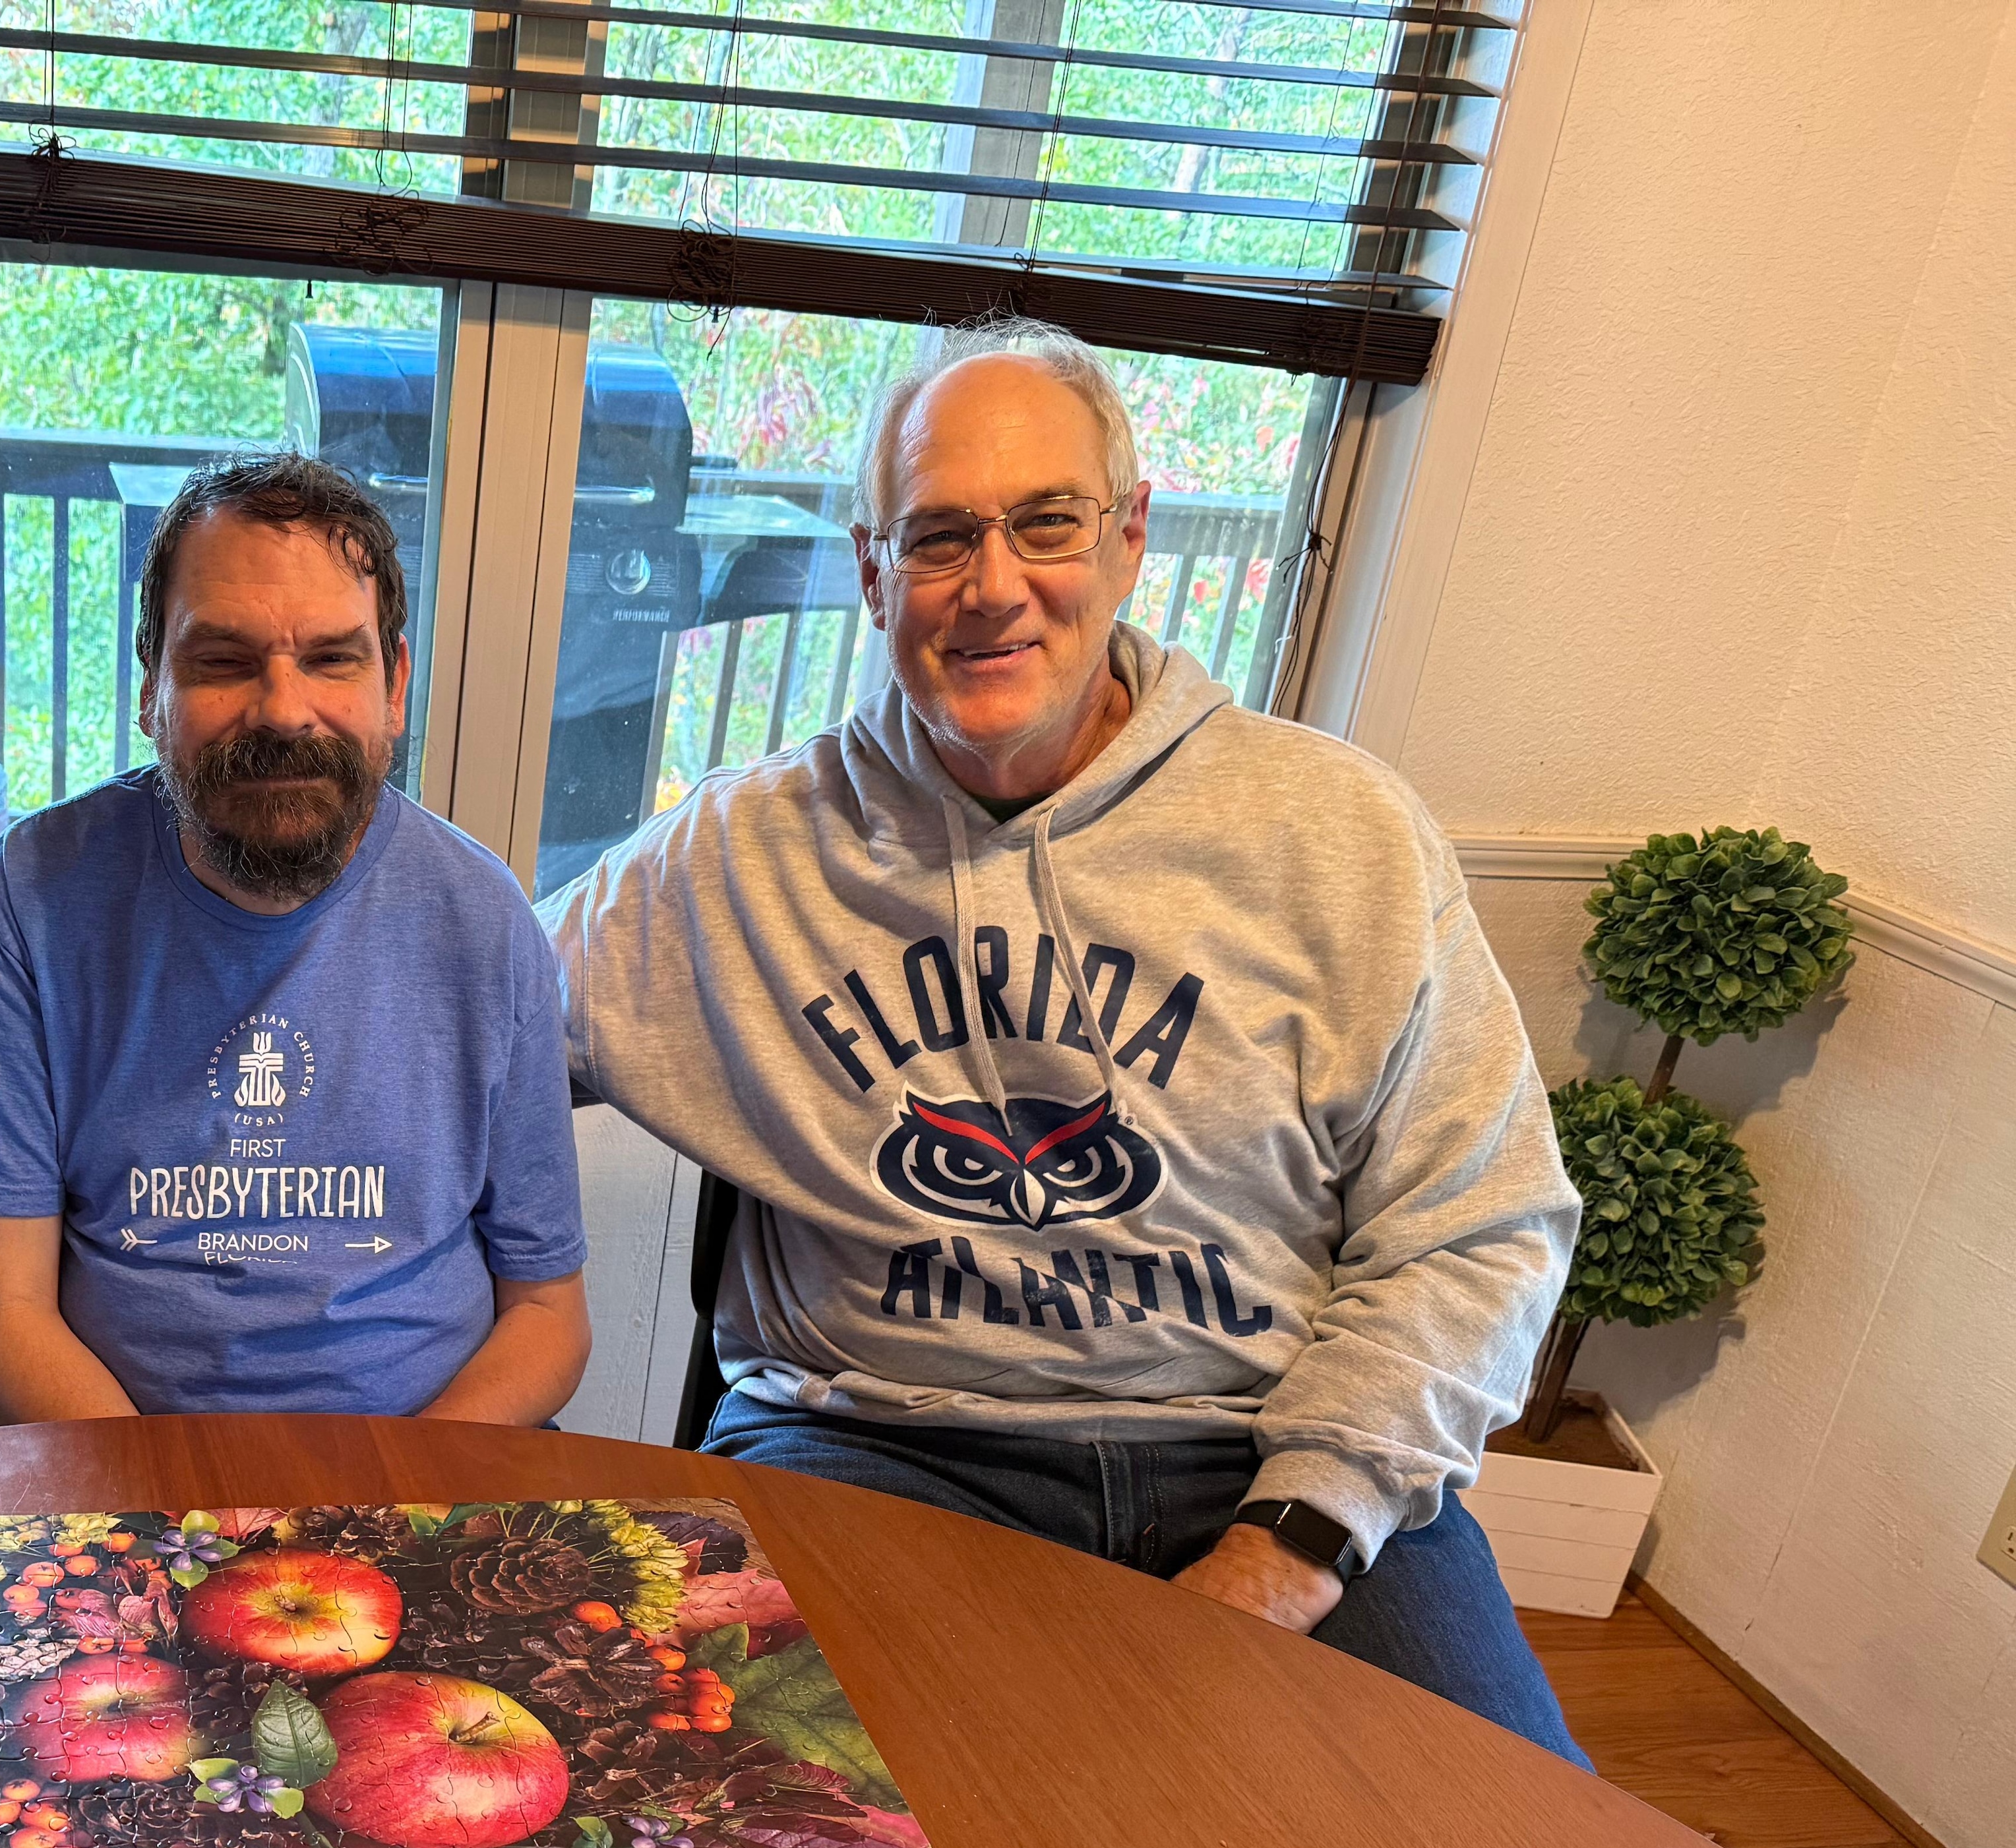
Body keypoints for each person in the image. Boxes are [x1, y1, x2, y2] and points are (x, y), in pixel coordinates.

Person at [545, 319, 1587, 1762]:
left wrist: (1287, 1546)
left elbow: (1477, 1225)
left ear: (1128, 539)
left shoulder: (1334, 833)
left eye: (1046, 523)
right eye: (936, 539)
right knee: (738, 1847)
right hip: (877, 1448)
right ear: (870, 573)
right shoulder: (739, 854)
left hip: (1267, 1450)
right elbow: (460, 1023)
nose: (992, 589)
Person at [0, 452, 588, 1423]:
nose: (284, 710)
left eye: (333, 657)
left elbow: (548, 1314)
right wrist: (179, 1517)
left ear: (395, 682)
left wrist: (395, 1503)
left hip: (420, 1473)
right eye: (224, 661)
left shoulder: (487, 920)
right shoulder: (35, 897)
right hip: (128, 1476)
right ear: (152, 682)